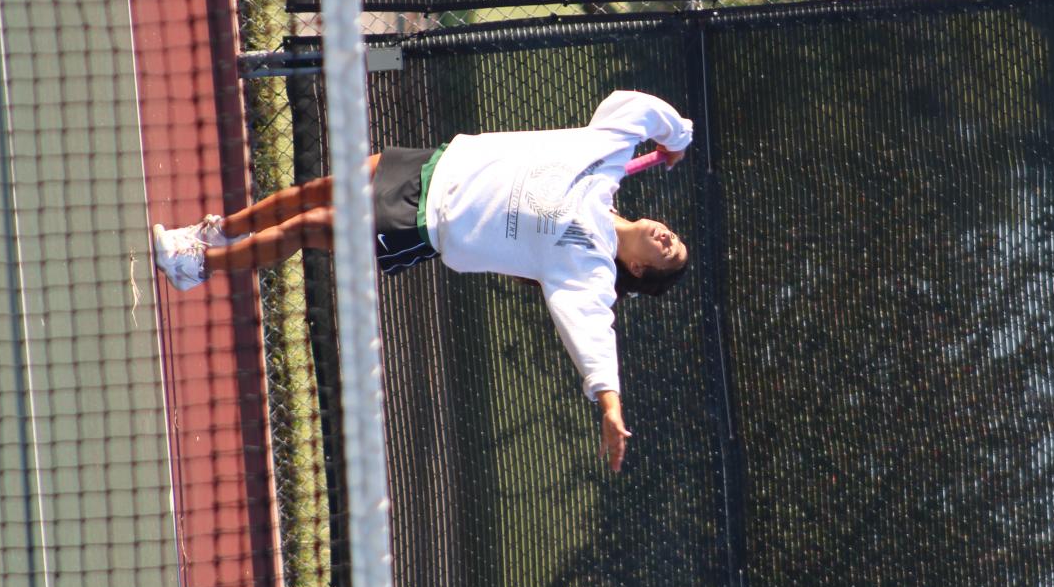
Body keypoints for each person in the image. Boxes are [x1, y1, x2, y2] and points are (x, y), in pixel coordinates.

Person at [152, 90, 692, 473]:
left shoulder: (588, 266)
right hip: (437, 166)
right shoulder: (605, 161)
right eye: (673, 235)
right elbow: (636, 107)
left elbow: (591, 330)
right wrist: (678, 136)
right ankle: (218, 233)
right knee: (315, 191)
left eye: (669, 254)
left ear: (640, 270)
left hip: (428, 226)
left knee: (308, 228)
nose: (667, 237)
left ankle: (196, 266)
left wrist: (609, 404)